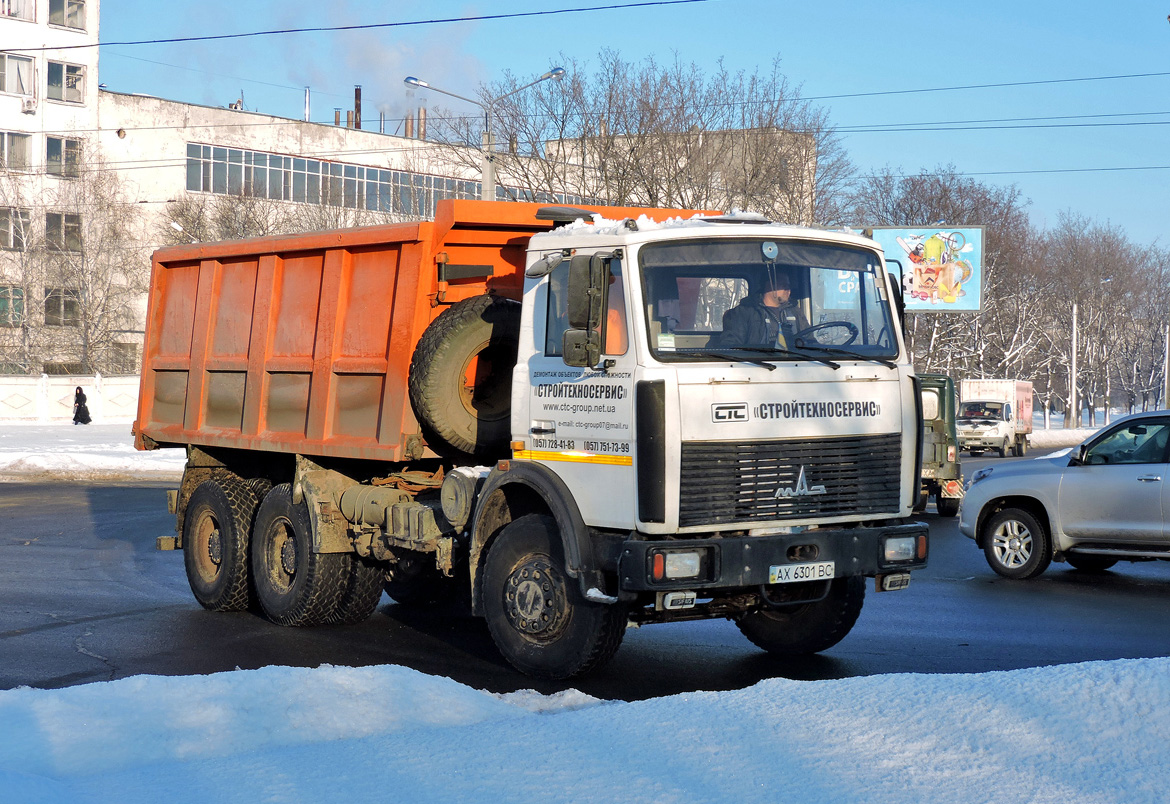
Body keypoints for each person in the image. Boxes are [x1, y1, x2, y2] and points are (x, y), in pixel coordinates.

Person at [717, 272, 810, 348]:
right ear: (769, 285)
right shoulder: (744, 312)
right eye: (783, 285)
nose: (788, 289)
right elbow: (730, 346)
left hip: (795, 365)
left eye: (788, 286)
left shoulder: (795, 312)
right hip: (757, 366)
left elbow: (810, 340)